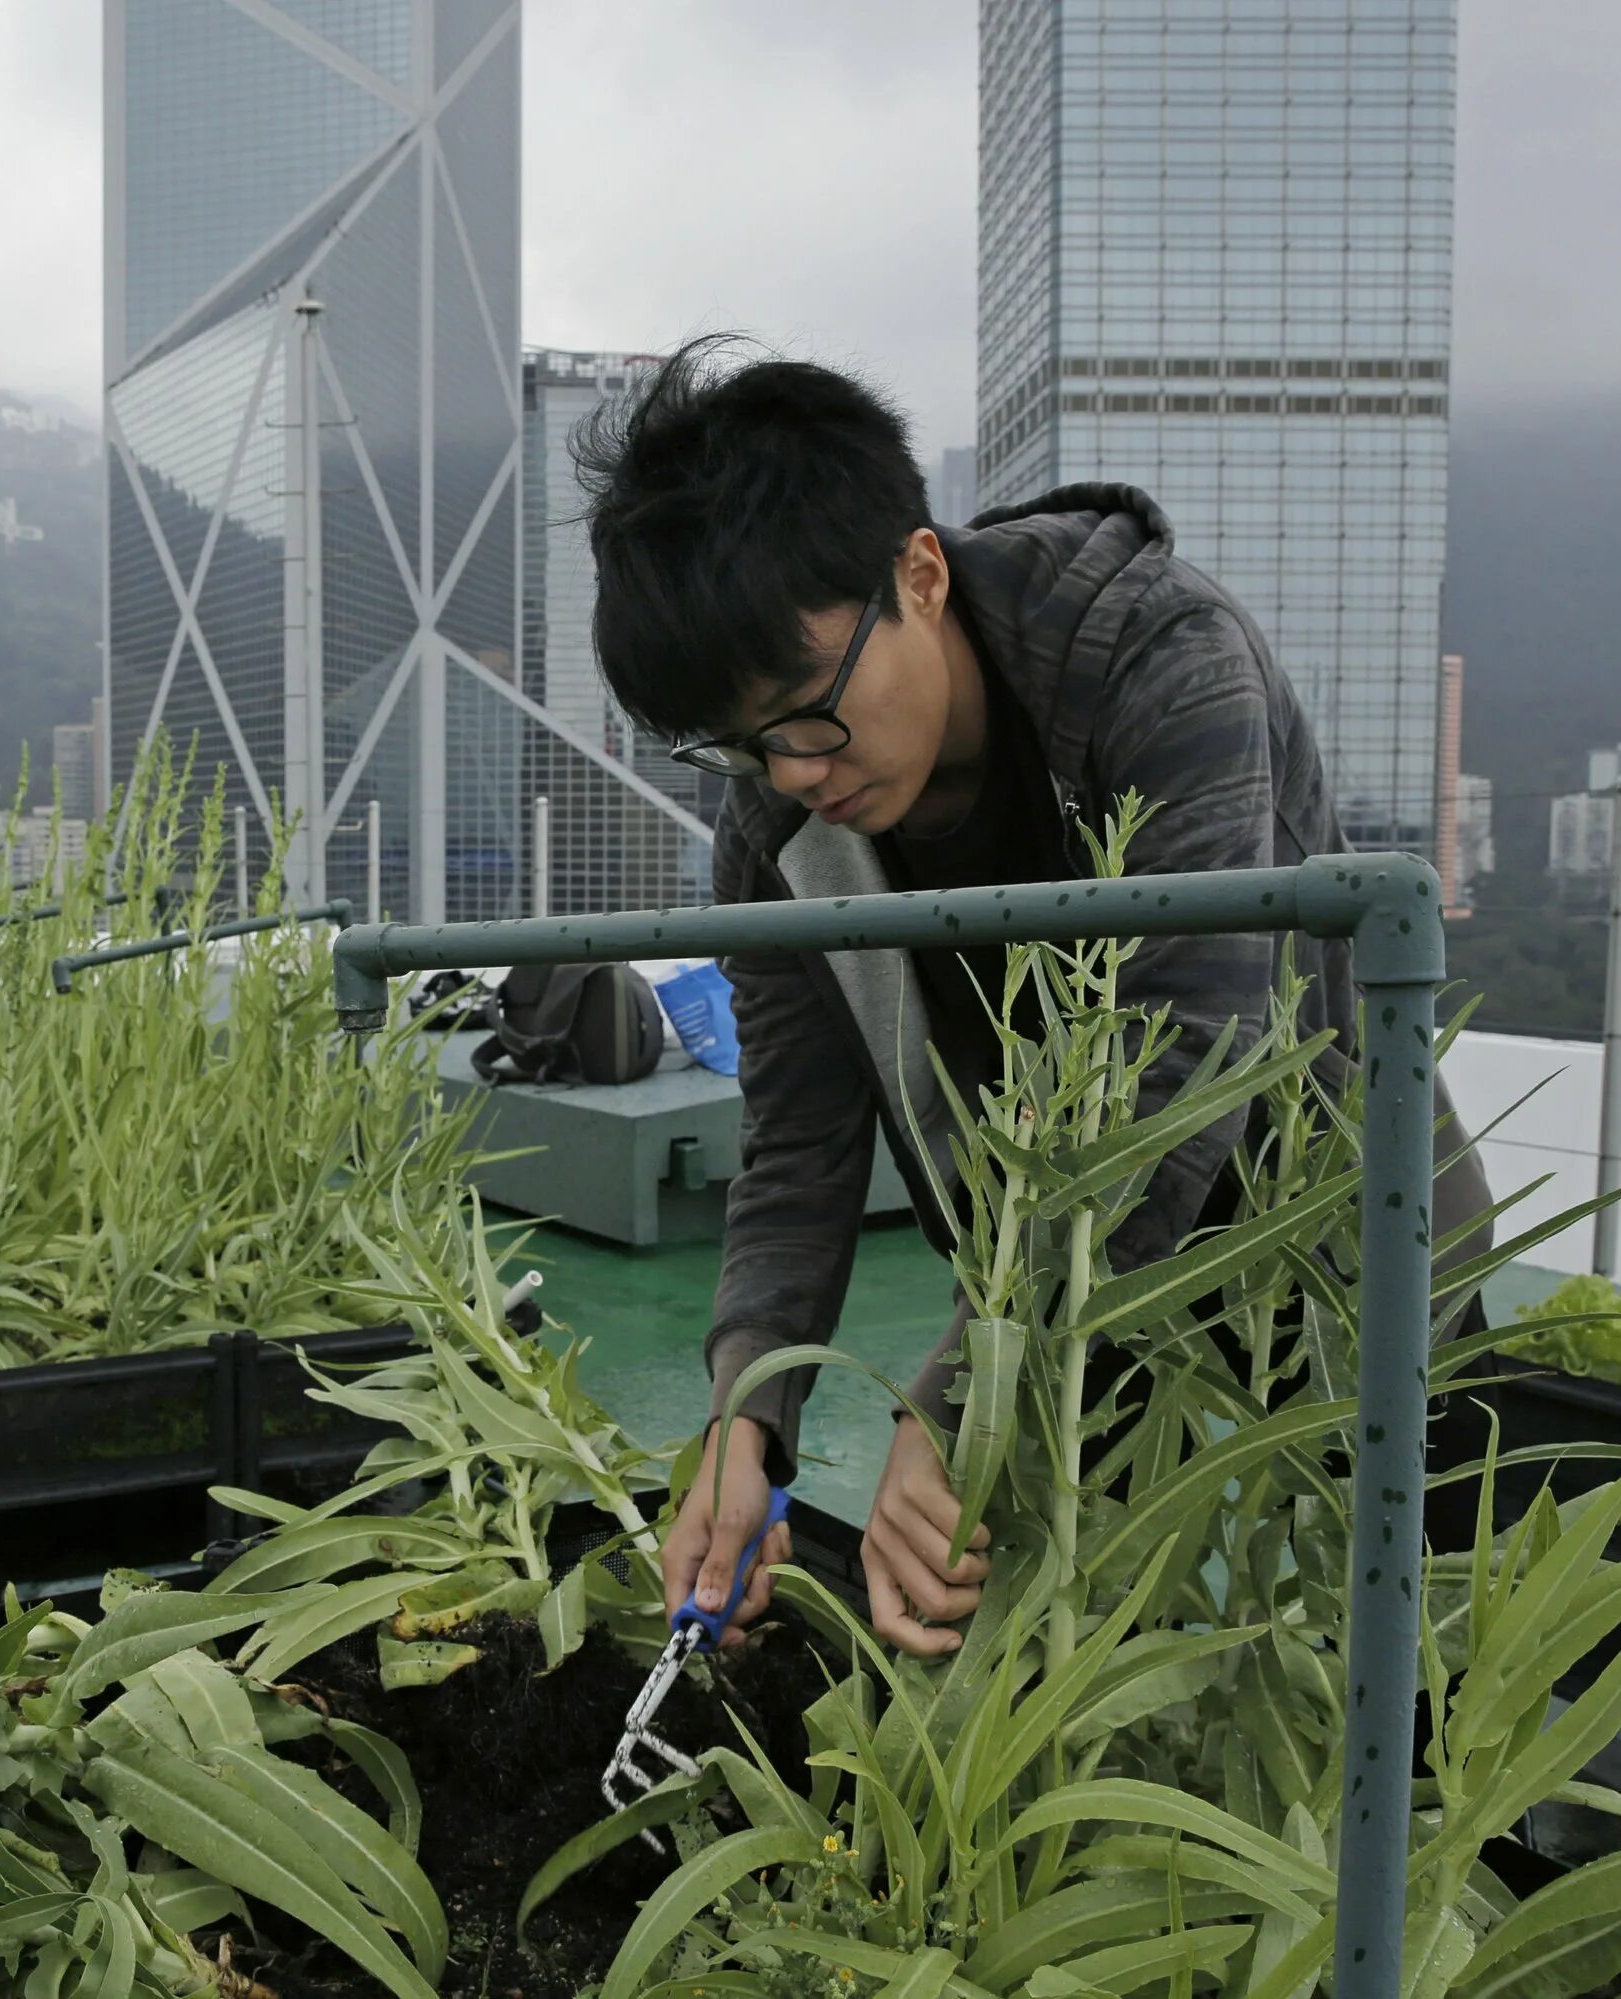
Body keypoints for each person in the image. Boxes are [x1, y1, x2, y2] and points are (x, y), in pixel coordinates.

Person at [575, 338, 1493, 1658]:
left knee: (1414, 1664)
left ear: (921, 571)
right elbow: (799, 1143)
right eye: (735, 745)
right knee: (1032, 1671)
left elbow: (1183, 1074)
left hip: (1321, 1234)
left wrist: (951, 1404)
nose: (786, 776)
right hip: (1051, 1291)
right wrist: (748, 1413)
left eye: (804, 714)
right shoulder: (774, 822)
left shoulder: (1163, 663)